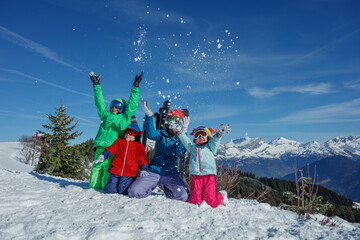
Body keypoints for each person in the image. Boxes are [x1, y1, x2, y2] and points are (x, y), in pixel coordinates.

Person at [89, 71, 143, 189]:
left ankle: (104, 195)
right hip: (100, 147)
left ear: (122, 108)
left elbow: (132, 105)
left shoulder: (124, 117)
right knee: (94, 176)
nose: (114, 107)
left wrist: (135, 87)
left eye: (118, 106)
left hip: (112, 149)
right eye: (113, 105)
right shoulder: (105, 115)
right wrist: (96, 86)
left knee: (106, 178)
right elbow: (99, 103)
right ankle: (92, 191)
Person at [127, 100, 189, 201]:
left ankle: (167, 188)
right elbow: (151, 134)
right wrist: (149, 116)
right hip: (154, 171)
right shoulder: (162, 134)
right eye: (171, 121)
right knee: (134, 192)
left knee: (183, 196)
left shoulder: (180, 138)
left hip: (171, 173)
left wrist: (184, 133)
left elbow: (180, 151)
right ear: (168, 123)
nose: (174, 124)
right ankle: (150, 186)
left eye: (177, 121)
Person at [177, 123, 231, 208]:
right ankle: (201, 197)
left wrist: (219, 134)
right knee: (194, 201)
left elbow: (215, 141)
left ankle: (221, 195)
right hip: (196, 176)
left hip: (209, 176)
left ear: (208, 136)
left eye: (203, 134)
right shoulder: (192, 147)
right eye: (197, 135)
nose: (200, 137)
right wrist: (180, 132)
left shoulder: (210, 146)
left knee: (211, 202)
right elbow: (185, 141)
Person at [93, 123, 148, 195]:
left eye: (131, 132)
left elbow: (142, 157)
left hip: (128, 173)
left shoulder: (139, 147)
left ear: (137, 135)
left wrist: (144, 168)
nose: (127, 134)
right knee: (109, 190)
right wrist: (103, 155)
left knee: (123, 191)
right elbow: (112, 149)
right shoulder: (120, 142)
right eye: (126, 132)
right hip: (115, 170)